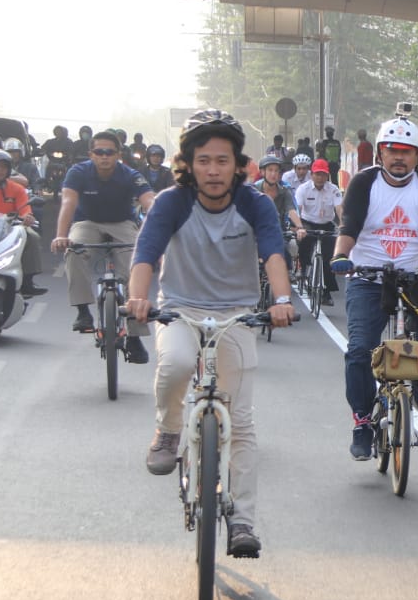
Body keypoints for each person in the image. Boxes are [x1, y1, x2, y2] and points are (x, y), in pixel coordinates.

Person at [126, 109, 294, 559]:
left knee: (240, 423)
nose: (214, 170)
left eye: (223, 160)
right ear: (189, 163)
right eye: (204, 160)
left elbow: (274, 252)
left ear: (238, 165)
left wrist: (280, 300)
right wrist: (139, 299)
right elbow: (146, 254)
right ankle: (166, 430)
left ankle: (243, 521)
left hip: (236, 313)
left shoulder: (254, 203)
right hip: (180, 308)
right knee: (177, 364)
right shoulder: (171, 202)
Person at [330, 117, 418, 460]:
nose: (398, 157)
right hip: (367, 277)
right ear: (380, 152)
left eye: (406, 151)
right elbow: (350, 225)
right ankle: (362, 421)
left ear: (415, 155)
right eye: (392, 150)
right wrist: (340, 255)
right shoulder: (364, 183)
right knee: (360, 351)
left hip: (415, 275)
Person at [51, 130, 156, 361]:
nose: (104, 156)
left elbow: (150, 201)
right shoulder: (78, 173)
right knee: (73, 250)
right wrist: (60, 235)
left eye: (110, 152)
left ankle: (135, 338)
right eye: (99, 152)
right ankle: (82, 311)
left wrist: (159, 228)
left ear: (118, 154)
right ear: (91, 154)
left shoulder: (130, 175)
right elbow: (68, 202)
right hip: (87, 222)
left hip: (122, 224)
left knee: (135, 272)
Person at [0, 148, 47, 296]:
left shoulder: (17, 189)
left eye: (3, 167)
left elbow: (25, 210)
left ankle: (27, 281)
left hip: (9, 228)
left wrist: (27, 218)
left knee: (32, 236)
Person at [294, 158, 343, 305]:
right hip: (308, 223)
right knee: (303, 244)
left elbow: (339, 208)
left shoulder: (333, 189)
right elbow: (298, 209)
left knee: (329, 258)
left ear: (327, 175)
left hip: (326, 224)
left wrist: (343, 224)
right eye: (317, 174)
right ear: (312, 174)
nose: (320, 178)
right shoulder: (303, 189)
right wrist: (298, 227)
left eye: (323, 174)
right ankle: (303, 269)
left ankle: (326, 293)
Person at [254, 154, 303, 267]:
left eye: (276, 171)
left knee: (285, 259)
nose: (273, 174)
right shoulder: (254, 189)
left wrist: (300, 228)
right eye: (270, 170)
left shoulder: (285, 191)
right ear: (262, 172)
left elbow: (291, 210)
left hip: (278, 232)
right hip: (256, 233)